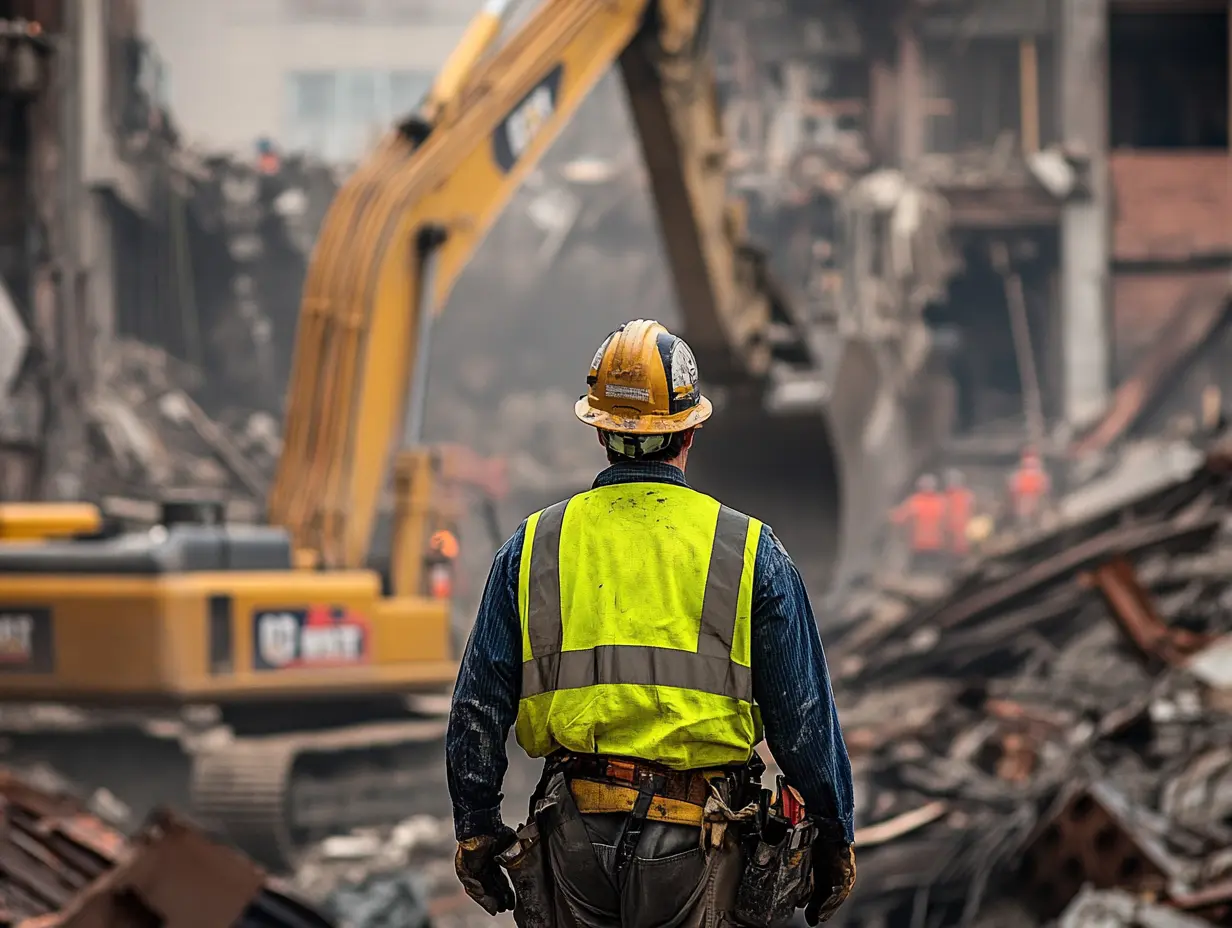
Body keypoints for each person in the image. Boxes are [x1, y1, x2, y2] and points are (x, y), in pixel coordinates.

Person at [446, 320, 856, 927]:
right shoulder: (747, 550)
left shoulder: (534, 547)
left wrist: (477, 829)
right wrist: (833, 833)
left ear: (600, 430)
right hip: (700, 841)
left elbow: (477, 707)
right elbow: (803, 718)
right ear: (689, 429)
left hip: (571, 836)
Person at [890, 474, 947, 573]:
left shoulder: (915, 501)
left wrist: (890, 514)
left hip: (918, 545)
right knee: (933, 573)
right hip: (936, 545)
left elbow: (899, 518)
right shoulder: (942, 502)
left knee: (918, 573)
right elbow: (949, 524)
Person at [1008, 448, 1051, 530]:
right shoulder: (1017, 477)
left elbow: (1044, 493)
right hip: (1022, 512)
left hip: (1038, 510)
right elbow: (1013, 494)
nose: (1029, 462)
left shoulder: (1041, 477)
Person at [943, 469, 976, 562]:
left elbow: (973, 511)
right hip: (952, 531)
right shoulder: (946, 497)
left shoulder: (967, 496)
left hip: (962, 530)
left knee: (961, 550)